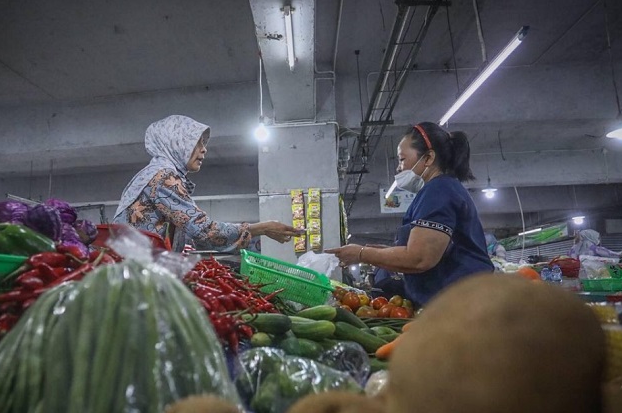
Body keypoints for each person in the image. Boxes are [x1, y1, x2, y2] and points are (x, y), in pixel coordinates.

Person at [326, 122, 493, 306]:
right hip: (456, 302)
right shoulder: (441, 189)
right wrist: (384, 252)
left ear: (428, 158)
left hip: (460, 305)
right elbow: (435, 250)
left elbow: (419, 258)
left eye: (402, 159)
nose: (398, 168)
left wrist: (361, 254)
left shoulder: (438, 191)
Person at [113, 115, 302, 251]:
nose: (204, 150)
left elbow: (192, 233)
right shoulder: (163, 177)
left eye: (204, 143)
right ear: (176, 142)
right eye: (197, 143)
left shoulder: (152, 174)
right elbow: (204, 231)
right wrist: (262, 227)